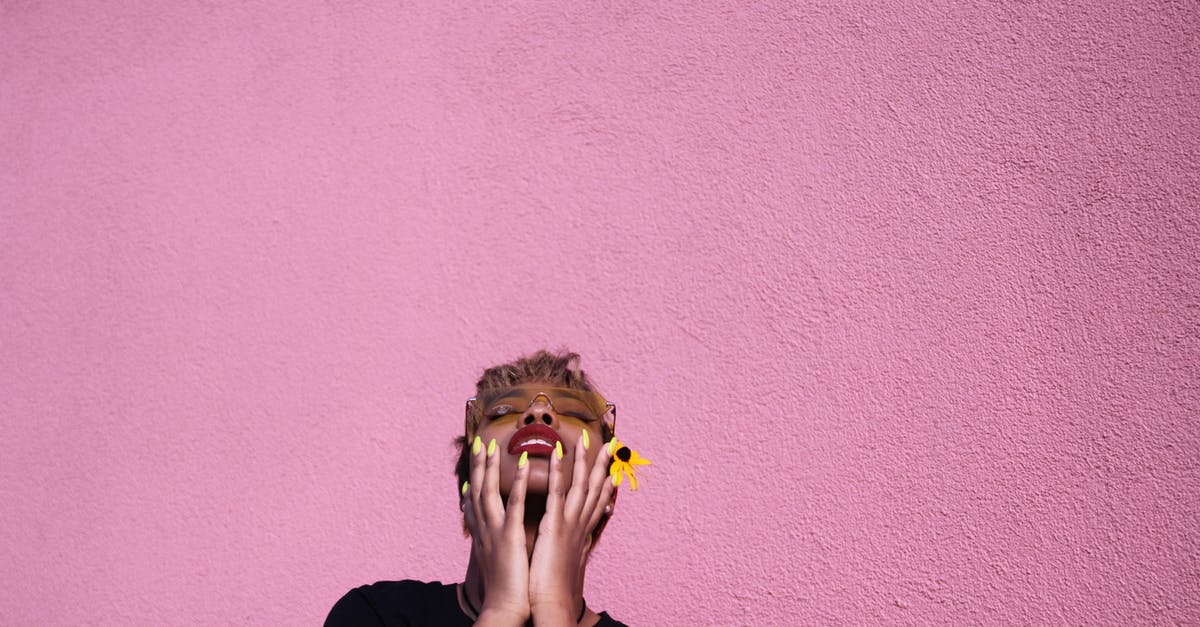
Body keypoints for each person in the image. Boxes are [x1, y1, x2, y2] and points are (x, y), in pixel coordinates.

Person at [325, 350, 637, 626]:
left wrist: (553, 608)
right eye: (502, 411)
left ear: (609, 493)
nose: (539, 412)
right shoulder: (377, 614)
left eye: (574, 412)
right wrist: (503, 610)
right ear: (466, 484)